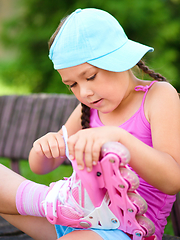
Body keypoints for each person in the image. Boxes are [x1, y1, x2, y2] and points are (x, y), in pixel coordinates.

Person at [0, 7, 180, 240]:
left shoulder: (158, 96)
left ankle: (56, 204)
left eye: (91, 76)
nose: (84, 92)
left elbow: (173, 180)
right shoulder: (89, 107)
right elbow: (41, 167)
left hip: (125, 230)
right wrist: (45, 147)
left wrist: (118, 137)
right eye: (72, 84)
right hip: (74, 217)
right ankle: (54, 203)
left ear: (120, 60)